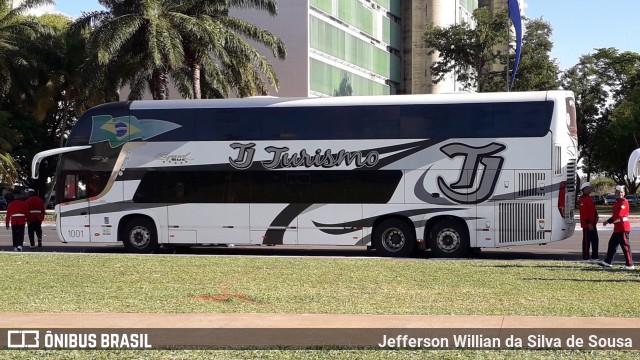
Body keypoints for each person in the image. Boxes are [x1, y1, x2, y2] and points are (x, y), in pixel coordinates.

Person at [599, 185, 635, 270]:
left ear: (624, 193)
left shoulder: (623, 202)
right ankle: (608, 262)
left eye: (621, 192)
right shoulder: (617, 202)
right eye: (618, 192)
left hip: (623, 228)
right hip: (617, 228)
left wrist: (607, 221)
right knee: (612, 245)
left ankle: (630, 264)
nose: (619, 194)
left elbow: (619, 215)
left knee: (625, 246)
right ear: (615, 193)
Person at [578, 182, 599, 261]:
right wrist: (589, 223)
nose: (590, 189)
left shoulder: (590, 198)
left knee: (595, 240)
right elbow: (584, 213)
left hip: (593, 223)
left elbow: (593, 209)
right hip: (588, 224)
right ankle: (586, 257)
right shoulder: (582, 200)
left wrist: (596, 216)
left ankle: (595, 257)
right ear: (585, 189)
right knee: (587, 242)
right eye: (589, 188)